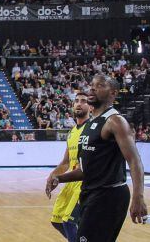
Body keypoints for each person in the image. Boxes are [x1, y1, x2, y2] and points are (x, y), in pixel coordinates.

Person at [46, 74, 149, 242]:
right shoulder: (90, 125)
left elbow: (134, 160)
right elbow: (86, 170)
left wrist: (139, 196)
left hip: (109, 195)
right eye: (92, 84)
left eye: (100, 85)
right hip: (91, 194)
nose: (92, 88)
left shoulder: (115, 121)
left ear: (113, 93)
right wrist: (59, 178)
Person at [46, 92, 91, 242]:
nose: (79, 103)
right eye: (76, 101)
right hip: (71, 180)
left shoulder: (92, 129)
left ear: (90, 106)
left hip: (84, 182)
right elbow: (66, 162)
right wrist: (52, 176)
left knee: (69, 222)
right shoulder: (72, 132)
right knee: (56, 221)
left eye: (83, 101)